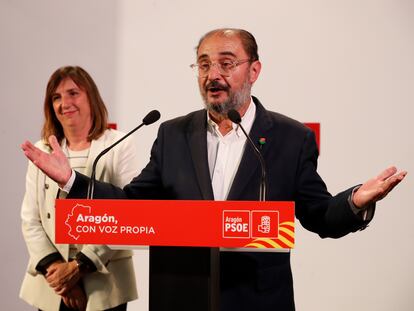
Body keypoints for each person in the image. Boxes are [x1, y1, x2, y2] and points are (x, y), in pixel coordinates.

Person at [22, 30, 407, 311]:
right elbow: (130, 205)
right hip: (181, 295)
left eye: (226, 63)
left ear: (253, 70)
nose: (212, 74)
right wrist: (71, 180)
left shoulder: (291, 138)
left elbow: (319, 215)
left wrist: (356, 201)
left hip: (256, 300)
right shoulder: (173, 134)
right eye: (204, 64)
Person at [20, 66, 139, 311]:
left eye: (73, 93)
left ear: (91, 97)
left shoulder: (120, 144)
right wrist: (60, 275)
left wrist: (78, 267)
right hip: (53, 286)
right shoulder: (41, 149)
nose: (65, 103)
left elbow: (126, 212)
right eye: (56, 97)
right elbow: (31, 219)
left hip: (105, 285)